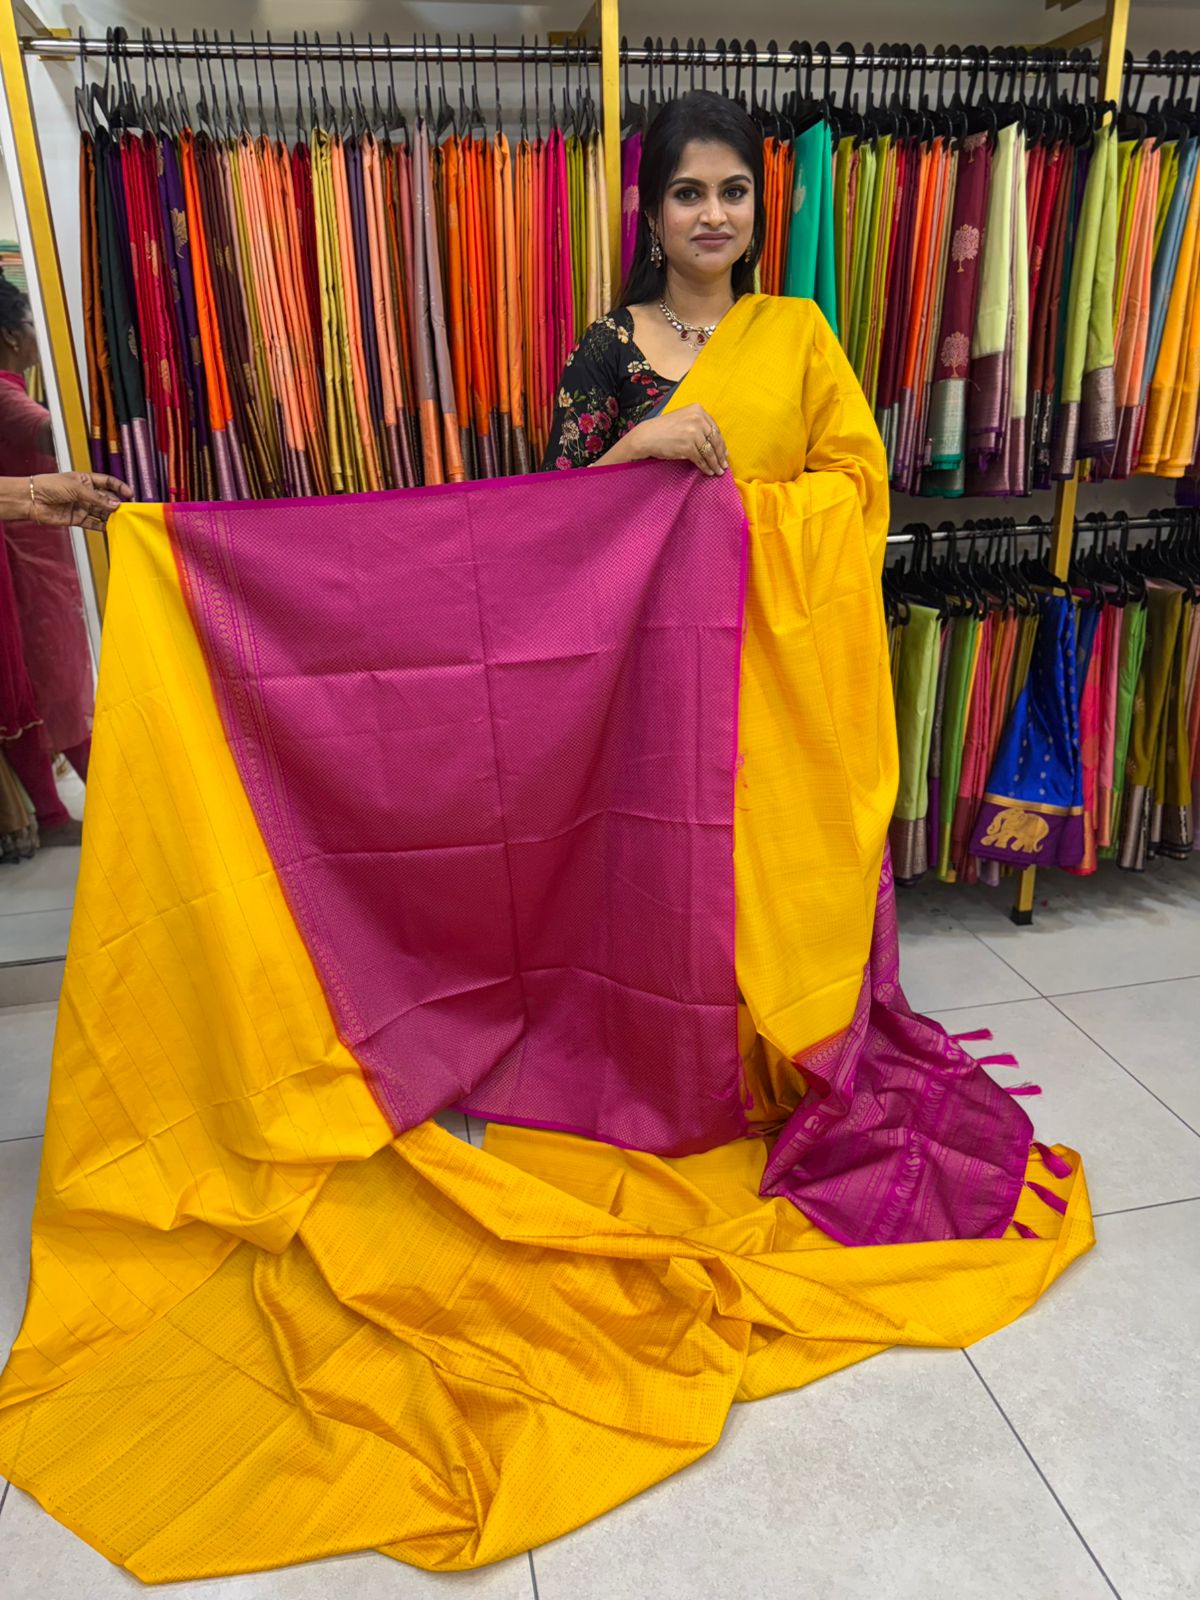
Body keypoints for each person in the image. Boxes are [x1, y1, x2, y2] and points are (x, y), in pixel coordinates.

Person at [0, 280, 131, 847]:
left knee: (53, 680)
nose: (37, 334)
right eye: (35, 324)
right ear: (12, 335)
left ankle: (74, 809)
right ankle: (73, 813)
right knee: (58, 681)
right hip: (28, 561)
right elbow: (54, 435)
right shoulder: (4, 393)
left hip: (34, 550)